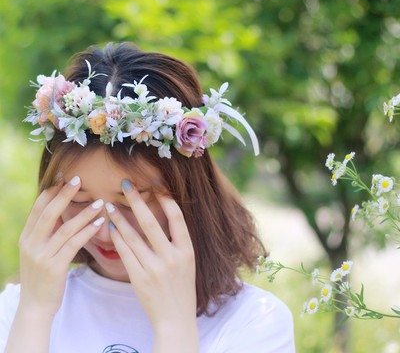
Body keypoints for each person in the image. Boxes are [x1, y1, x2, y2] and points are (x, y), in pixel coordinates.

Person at [0, 42, 295, 353]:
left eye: (130, 203)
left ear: (188, 192)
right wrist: (34, 314)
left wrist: (174, 327)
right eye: (80, 201)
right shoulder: (18, 312)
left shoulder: (254, 322)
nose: (103, 231)